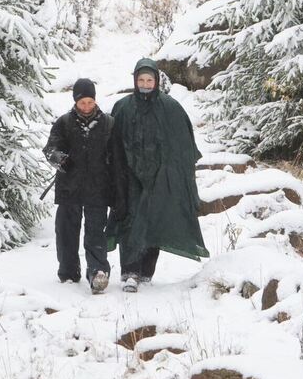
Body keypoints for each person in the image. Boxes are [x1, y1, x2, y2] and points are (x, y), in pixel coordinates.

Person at [107, 58, 209, 292]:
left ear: (156, 81)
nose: (144, 84)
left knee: (153, 222)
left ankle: (146, 272)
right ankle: (130, 271)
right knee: (130, 222)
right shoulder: (123, 107)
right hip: (129, 177)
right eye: (140, 80)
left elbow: (183, 145)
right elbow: (111, 144)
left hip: (158, 177)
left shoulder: (170, 108)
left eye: (149, 80)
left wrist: (173, 172)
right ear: (134, 80)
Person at [43, 78, 114, 294]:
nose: (86, 106)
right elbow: (49, 149)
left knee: (96, 232)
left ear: (95, 100)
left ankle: (98, 272)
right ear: (75, 102)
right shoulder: (64, 122)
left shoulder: (109, 123)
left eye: (90, 102)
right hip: (69, 188)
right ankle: (68, 272)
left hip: (98, 189)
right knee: (66, 232)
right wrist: (60, 158)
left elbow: (115, 154)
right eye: (82, 102)